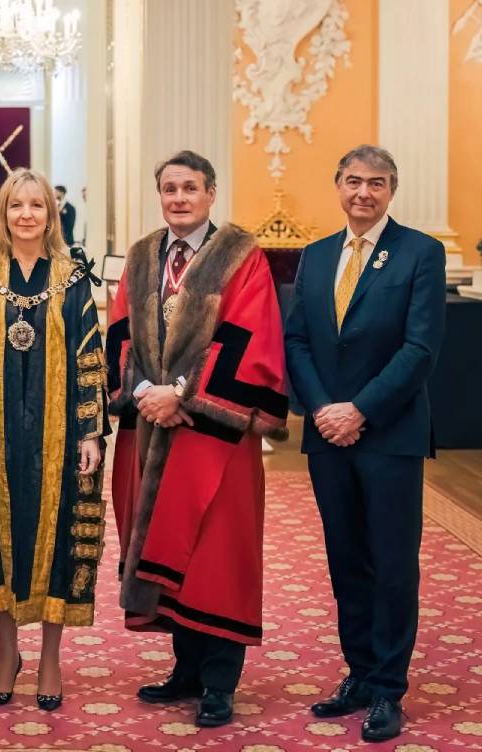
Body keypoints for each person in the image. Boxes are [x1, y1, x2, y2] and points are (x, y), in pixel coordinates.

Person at [106, 151, 288, 729]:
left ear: (211, 193)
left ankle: (219, 682)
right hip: (149, 427)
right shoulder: (141, 256)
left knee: (217, 553)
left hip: (212, 434)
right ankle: (186, 668)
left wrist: (180, 395)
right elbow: (119, 332)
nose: (179, 198)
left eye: (190, 188)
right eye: (169, 189)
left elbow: (249, 339)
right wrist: (143, 392)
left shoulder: (242, 256)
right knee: (162, 541)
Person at [284, 144, 446, 743]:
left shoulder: (421, 252)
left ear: (391, 190)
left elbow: (420, 348)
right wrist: (323, 409)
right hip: (328, 434)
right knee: (346, 559)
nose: (363, 193)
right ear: (338, 186)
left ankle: (387, 689)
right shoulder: (317, 254)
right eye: (353, 181)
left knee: (393, 563)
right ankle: (357, 672)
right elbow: (297, 340)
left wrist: (360, 410)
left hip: (390, 434)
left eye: (376, 183)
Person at [0, 168, 108, 712]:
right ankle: (7, 655)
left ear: (51, 216)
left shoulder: (73, 277)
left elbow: (90, 357)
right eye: (16, 205)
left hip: (59, 435)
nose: (26, 214)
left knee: (57, 537)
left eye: (37, 205)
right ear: (2, 215)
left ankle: (51, 659)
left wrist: (90, 433)